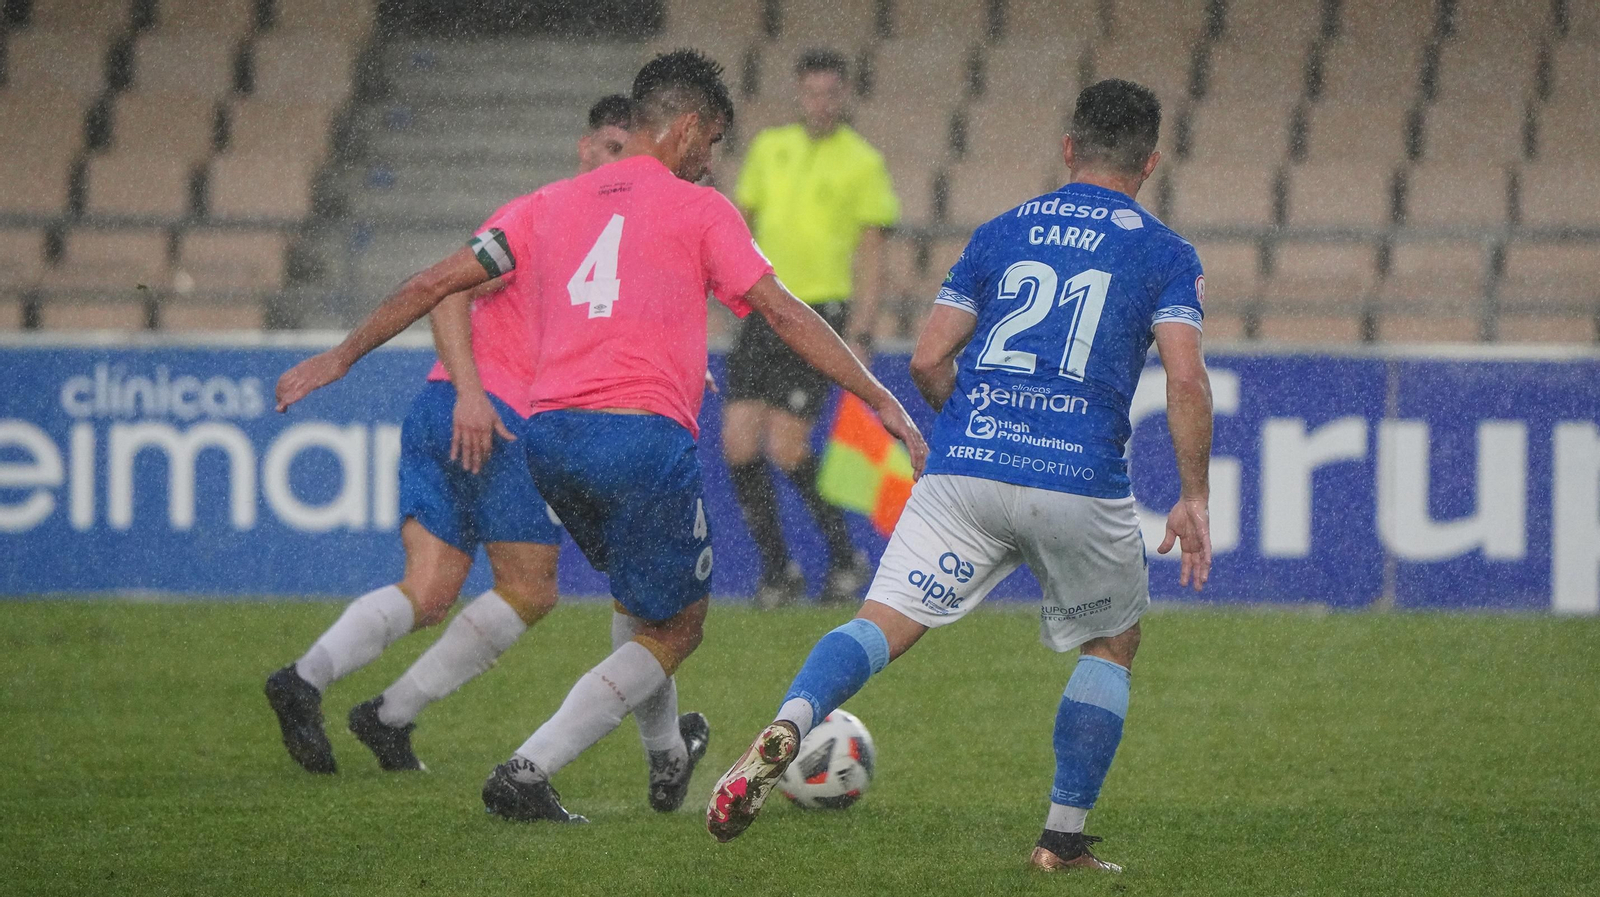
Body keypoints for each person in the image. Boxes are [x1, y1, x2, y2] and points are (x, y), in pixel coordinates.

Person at [273, 50, 928, 823]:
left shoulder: (546, 204)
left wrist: (341, 356)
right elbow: (782, 311)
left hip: (550, 439)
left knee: (637, 595)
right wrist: (879, 396)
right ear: (687, 127)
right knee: (678, 626)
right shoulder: (699, 208)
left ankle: (666, 754)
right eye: (713, 142)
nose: (711, 160)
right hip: (638, 440)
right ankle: (528, 769)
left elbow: (433, 284)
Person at [706, 79, 1215, 874]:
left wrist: (970, 427)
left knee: (880, 621)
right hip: (1076, 475)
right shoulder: (1165, 252)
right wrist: (1193, 495)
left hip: (966, 467)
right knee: (1112, 641)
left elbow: (927, 357)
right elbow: (1184, 378)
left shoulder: (1002, 231)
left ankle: (792, 723)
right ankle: (1060, 840)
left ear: (1069, 148)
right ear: (1150, 162)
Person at [262, 94, 636, 777]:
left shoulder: (603, 239)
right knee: (530, 589)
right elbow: (450, 289)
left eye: (628, 153)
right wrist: (471, 391)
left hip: (446, 410)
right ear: (584, 147)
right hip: (490, 418)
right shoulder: (542, 216)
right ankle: (390, 713)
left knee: (429, 590)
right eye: (609, 147)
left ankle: (305, 679)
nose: (616, 163)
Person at [723, 49, 900, 608]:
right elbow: (738, 228)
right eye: (812, 92)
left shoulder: (862, 161)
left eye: (830, 93)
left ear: (844, 95)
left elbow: (872, 255)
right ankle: (778, 571)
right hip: (764, 307)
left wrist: (863, 332)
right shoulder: (768, 148)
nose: (820, 103)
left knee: (787, 446)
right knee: (737, 441)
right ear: (799, 94)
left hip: (822, 313)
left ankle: (844, 558)